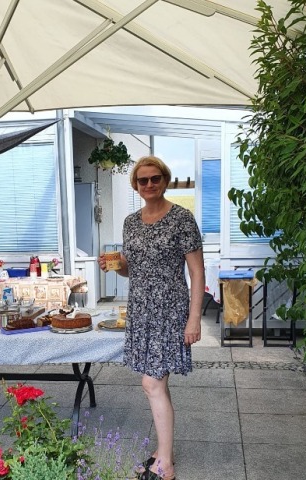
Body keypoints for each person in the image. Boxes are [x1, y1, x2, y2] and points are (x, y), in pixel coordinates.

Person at [99, 155, 205, 480]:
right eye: (142, 180)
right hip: (141, 310)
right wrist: (116, 265)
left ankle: (166, 466)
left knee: (151, 383)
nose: (149, 184)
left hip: (170, 310)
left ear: (165, 180)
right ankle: (162, 451)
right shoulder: (130, 222)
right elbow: (132, 269)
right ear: (135, 185)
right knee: (158, 382)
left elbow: (197, 272)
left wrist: (194, 319)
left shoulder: (182, 219)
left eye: (155, 178)